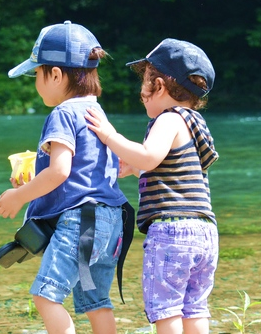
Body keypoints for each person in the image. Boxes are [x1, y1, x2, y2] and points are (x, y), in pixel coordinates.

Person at [0, 20, 128, 334]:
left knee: (46, 296)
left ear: (55, 74)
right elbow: (81, 172)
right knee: (96, 301)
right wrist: (33, 183)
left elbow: (60, 171)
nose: (35, 83)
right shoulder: (96, 111)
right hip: (110, 220)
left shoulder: (63, 113)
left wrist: (19, 196)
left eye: (37, 74)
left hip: (82, 223)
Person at [85, 38, 220, 334]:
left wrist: (109, 135)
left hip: (173, 231)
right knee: (194, 307)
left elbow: (148, 155)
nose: (141, 94)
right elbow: (168, 168)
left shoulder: (168, 120)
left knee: (167, 308)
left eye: (144, 84)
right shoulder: (194, 122)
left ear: (158, 86)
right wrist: (133, 167)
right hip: (205, 232)